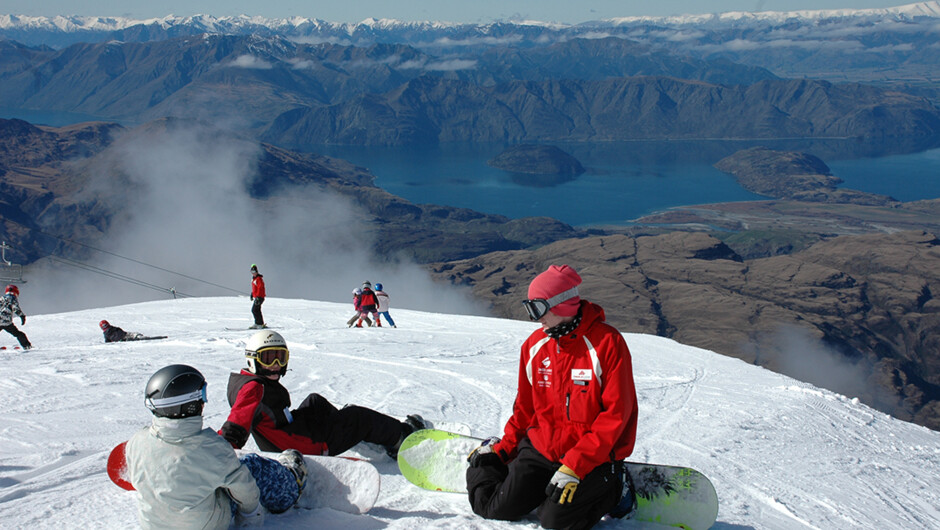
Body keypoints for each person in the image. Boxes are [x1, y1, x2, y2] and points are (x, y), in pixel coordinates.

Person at [465, 265, 638, 529]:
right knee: (491, 506)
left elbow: (616, 415)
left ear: (563, 305)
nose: (535, 319)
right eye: (530, 309)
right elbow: (525, 409)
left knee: (555, 520)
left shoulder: (607, 343)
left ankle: (616, 490)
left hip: (591, 458)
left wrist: (575, 466)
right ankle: (503, 466)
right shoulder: (535, 346)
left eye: (537, 308)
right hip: (541, 450)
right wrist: (504, 449)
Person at [125, 364, 308, 530]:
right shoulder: (211, 448)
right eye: (202, 394)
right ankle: (291, 482)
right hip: (207, 524)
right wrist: (250, 518)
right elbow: (245, 490)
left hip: (154, 524)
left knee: (212, 476)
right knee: (251, 467)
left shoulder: (137, 441)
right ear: (191, 404)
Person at [220, 330, 424, 459]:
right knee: (358, 417)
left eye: (280, 358)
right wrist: (216, 454)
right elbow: (236, 425)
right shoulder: (252, 389)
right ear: (252, 359)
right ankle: (402, 439)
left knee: (314, 401)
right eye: (268, 358)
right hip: (305, 448)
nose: (275, 365)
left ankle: (346, 429)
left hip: (288, 432)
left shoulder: (246, 381)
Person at [0, 284, 31, 350]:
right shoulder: (12, 298)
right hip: (6, 322)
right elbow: (16, 308)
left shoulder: (2, 298)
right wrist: (22, 316)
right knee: (19, 334)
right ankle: (26, 346)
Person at [250, 264, 266, 329]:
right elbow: (255, 288)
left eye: (254, 272)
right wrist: (252, 294)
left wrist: (258, 297)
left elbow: (260, 288)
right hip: (257, 297)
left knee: (254, 310)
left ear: (257, 271)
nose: (253, 273)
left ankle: (259, 323)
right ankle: (259, 323)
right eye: (252, 272)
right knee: (257, 310)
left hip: (260, 297)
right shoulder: (254, 279)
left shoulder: (258, 279)